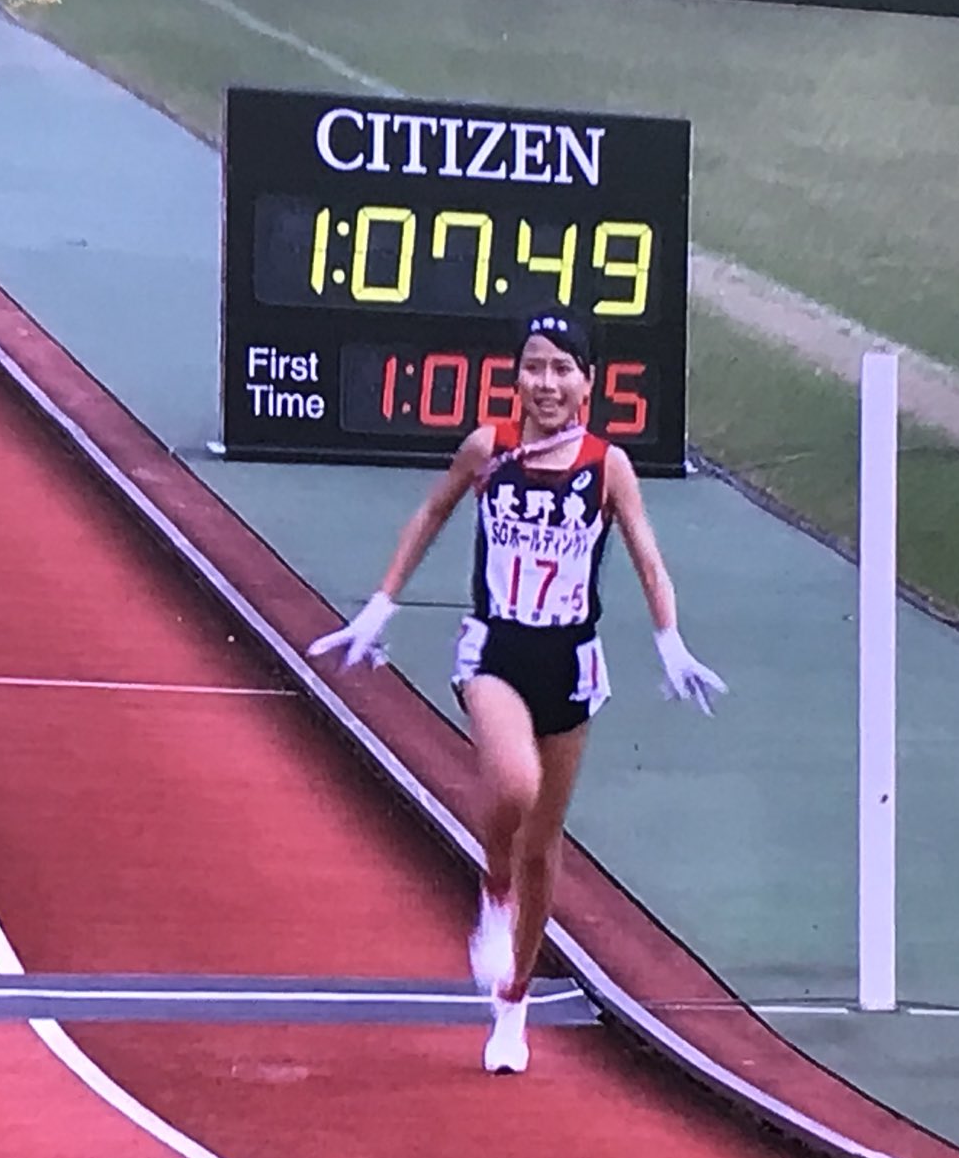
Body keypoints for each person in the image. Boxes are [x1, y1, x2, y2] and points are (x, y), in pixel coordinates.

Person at [308, 310, 727, 1075]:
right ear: (516, 375)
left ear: (587, 384)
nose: (546, 382)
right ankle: (490, 894)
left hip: (569, 661)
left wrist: (670, 642)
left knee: (545, 843)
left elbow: (647, 560)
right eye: (534, 366)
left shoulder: (607, 466)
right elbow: (432, 513)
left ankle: (513, 1005)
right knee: (513, 785)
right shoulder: (488, 449)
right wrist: (381, 604)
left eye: (562, 369)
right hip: (496, 647)